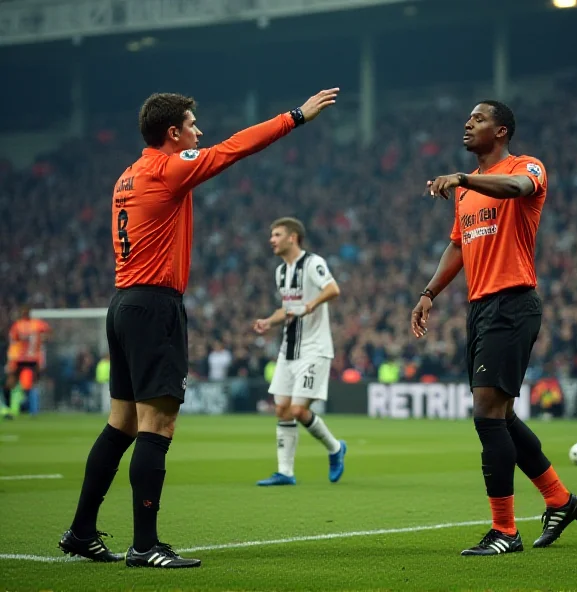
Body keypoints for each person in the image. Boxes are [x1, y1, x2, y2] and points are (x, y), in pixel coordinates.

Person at [59, 87, 339, 568]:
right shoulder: (169, 168)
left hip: (122, 303)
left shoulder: (128, 175)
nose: (199, 132)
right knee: (158, 425)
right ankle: (145, 545)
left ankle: (82, 531)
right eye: (192, 124)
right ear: (173, 133)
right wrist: (295, 116)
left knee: (120, 424)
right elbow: (235, 148)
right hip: (154, 307)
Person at [411, 100, 577, 556]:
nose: (468, 124)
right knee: (501, 416)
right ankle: (560, 500)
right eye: (467, 119)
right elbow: (457, 247)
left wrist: (463, 177)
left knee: (487, 415)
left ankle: (504, 530)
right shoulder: (466, 195)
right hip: (481, 307)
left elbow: (516, 188)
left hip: (514, 302)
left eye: (479, 119)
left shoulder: (525, 166)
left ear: (502, 131)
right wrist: (428, 293)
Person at [253, 217, 345, 486]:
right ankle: (285, 472)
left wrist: (311, 305)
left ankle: (335, 448)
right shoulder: (281, 272)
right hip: (288, 348)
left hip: (314, 349)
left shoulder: (313, 263)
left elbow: (333, 289)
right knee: (282, 408)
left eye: (277, 234)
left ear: (292, 237)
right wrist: (270, 320)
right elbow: (288, 307)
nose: (272, 239)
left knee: (297, 409)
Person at [3, 305, 51, 418]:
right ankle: (28, 410)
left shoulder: (18, 325)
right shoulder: (36, 324)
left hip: (23, 358)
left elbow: (12, 340)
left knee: (20, 384)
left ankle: (14, 409)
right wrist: (42, 339)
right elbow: (48, 332)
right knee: (23, 385)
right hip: (28, 358)